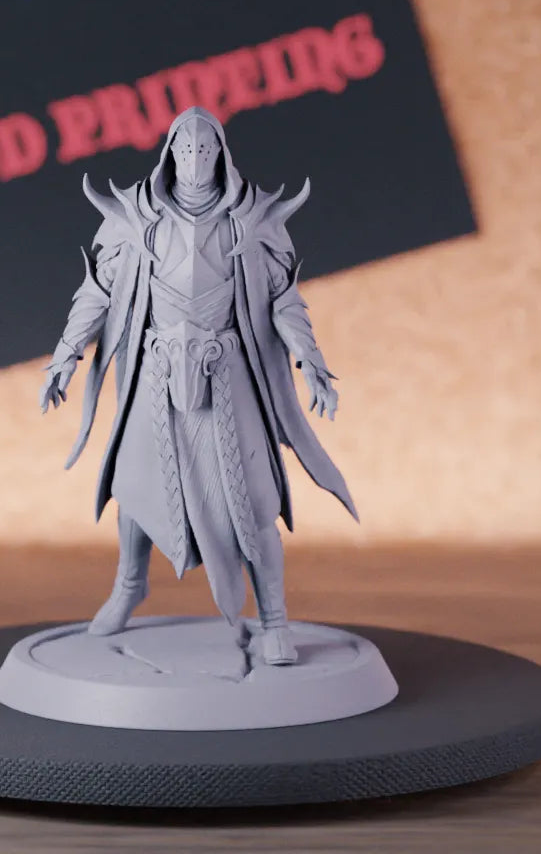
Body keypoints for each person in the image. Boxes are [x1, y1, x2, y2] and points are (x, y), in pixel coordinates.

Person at [39, 106, 356, 665]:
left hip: (226, 376)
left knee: (255, 496)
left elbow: (282, 299)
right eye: (184, 149)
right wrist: (66, 354)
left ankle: (274, 620)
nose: (194, 159)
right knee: (135, 484)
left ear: (221, 155)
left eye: (204, 149)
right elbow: (99, 292)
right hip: (156, 373)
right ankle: (129, 584)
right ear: (169, 153)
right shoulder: (136, 218)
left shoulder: (250, 220)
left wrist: (310, 361)